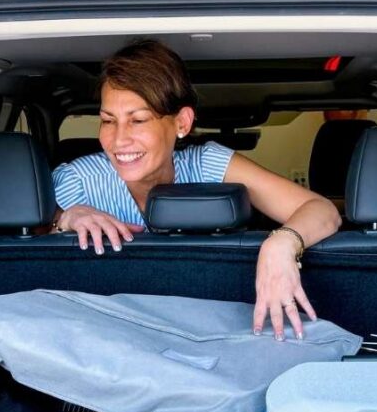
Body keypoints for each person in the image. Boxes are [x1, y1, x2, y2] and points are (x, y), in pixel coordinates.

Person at [51, 40, 341, 341]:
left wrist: (280, 245)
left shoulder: (207, 164)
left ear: (182, 122)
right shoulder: (78, 180)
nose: (118, 140)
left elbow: (323, 211)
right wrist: (65, 218)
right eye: (108, 121)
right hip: (110, 339)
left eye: (137, 120)